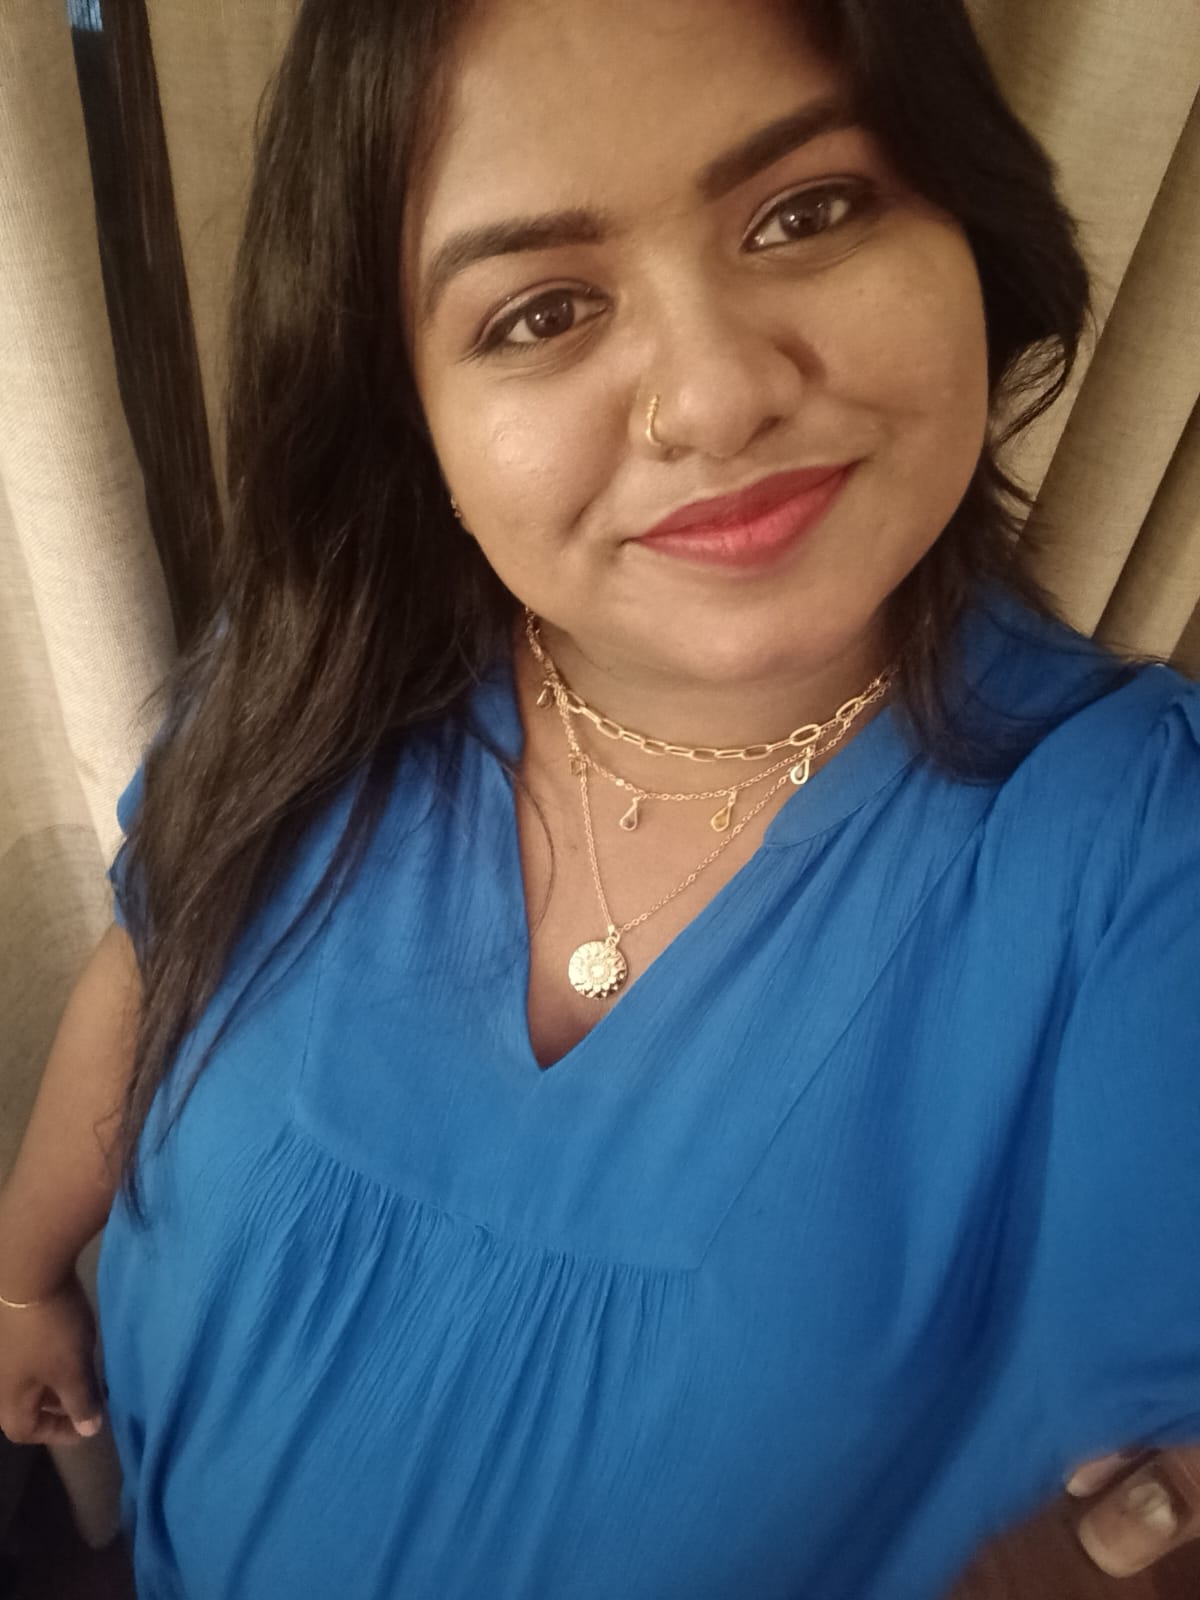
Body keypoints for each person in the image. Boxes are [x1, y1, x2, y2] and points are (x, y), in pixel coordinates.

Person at [0, 0, 1197, 1595]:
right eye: (541, 310)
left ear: (969, 223)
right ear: (407, 410)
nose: (714, 397)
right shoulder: (322, 679)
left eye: (807, 212)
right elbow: (162, 951)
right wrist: (25, 1271)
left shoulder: (1134, 851)